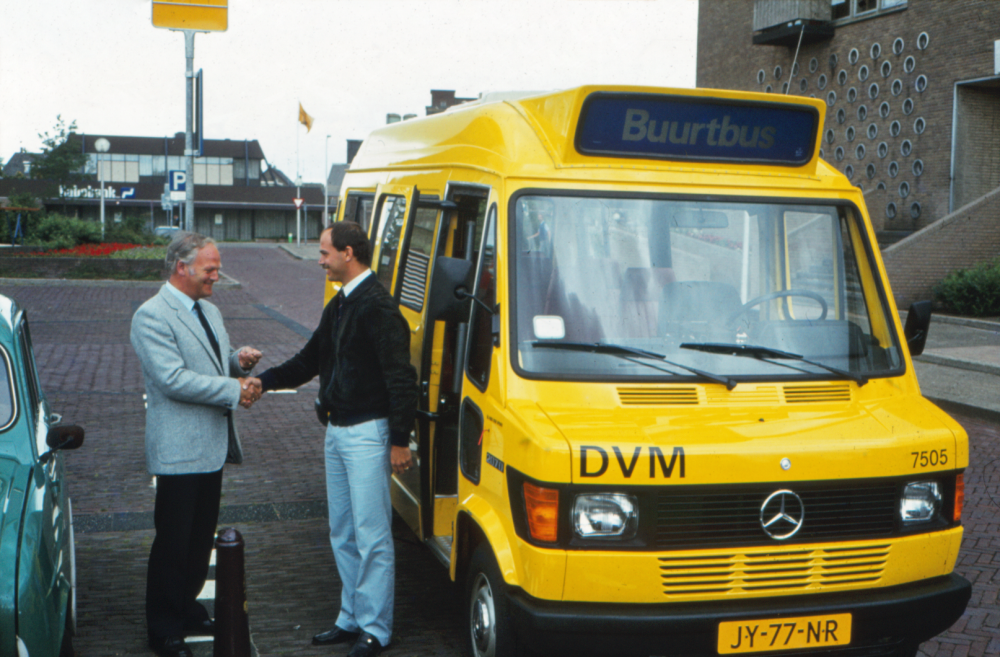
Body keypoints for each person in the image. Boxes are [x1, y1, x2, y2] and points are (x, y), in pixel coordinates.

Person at [249, 221, 418, 657]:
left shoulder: (377, 308)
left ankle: (376, 629)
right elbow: (309, 360)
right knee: (342, 530)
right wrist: (262, 382)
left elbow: (402, 377)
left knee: (372, 533)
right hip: (337, 432)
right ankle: (351, 617)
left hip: (366, 434)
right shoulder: (341, 305)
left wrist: (399, 439)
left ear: (348, 253)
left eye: (324, 253)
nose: (320, 260)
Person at [130, 232, 262, 657]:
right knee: (173, 542)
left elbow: (210, 360)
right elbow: (172, 379)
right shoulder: (151, 316)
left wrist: (236, 360)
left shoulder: (209, 309)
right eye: (210, 268)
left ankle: (186, 608)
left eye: (217, 266)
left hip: (210, 447)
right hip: (179, 450)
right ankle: (164, 629)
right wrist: (232, 389)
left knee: (199, 536)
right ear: (181, 267)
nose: (217, 275)